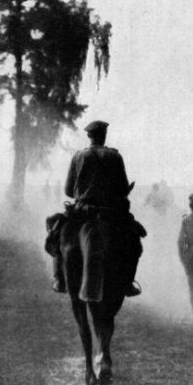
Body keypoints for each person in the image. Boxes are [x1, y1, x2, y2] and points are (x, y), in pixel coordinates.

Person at [50, 120, 143, 299]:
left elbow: (68, 191)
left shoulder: (78, 156)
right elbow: (122, 188)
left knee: (56, 235)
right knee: (133, 240)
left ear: (89, 136)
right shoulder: (115, 157)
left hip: (82, 213)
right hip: (110, 214)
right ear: (104, 135)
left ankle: (59, 280)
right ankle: (128, 284)